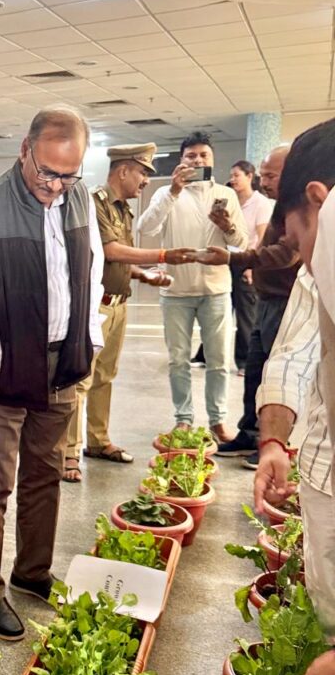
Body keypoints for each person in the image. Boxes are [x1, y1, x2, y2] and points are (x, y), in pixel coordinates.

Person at [0, 106, 104, 641]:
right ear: (25, 150)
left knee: (45, 476)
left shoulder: (80, 200)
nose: (56, 186)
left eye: (69, 175)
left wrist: (88, 342)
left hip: (62, 366)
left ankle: (32, 572)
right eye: (47, 172)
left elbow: (91, 273)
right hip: (0, 370)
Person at [255, 118, 335, 675]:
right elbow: (294, 352)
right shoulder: (321, 265)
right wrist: (273, 442)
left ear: (317, 200)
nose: (302, 259)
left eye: (299, 235)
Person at [63, 143, 195, 481]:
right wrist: (163, 255)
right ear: (123, 171)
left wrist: (144, 275)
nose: (146, 181)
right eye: (143, 173)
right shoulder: (95, 203)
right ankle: (68, 453)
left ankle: (98, 441)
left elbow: (119, 260)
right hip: (95, 305)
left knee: (105, 377)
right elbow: (110, 251)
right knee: (81, 379)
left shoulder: (123, 209)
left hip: (119, 304)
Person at [136, 130, 248, 441]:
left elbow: (241, 243)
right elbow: (146, 228)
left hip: (216, 291)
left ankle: (217, 420)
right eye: (191, 156)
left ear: (212, 159)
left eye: (203, 155)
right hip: (175, 292)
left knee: (218, 361)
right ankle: (183, 419)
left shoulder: (226, 195)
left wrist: (228, 226)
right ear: (181, 160)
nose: (197, 161)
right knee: (178, 360)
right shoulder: (167, 193)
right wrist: (172, 191)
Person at [196, 146, 297, 467]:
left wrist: (234, 258)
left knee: (275, 378)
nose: (263, 182)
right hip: (266, 301)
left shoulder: (299, 209)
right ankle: (249, 433)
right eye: (262, 175)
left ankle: (274, 444)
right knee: (254, 372)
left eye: (270, 175)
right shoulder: (281, 206)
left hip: (284, 306)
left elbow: (286, 254)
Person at [227, 160, 273, 372]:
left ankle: (244, 361)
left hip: (247, 260)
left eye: (237, 175)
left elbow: (262, 237)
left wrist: (252, 266)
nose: (232, 179)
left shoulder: (260, 203)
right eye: (231, 176)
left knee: (245, 314)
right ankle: (205, 355)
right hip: (228, 259)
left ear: (249, 176)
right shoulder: (231, 200)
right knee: (219, 310)